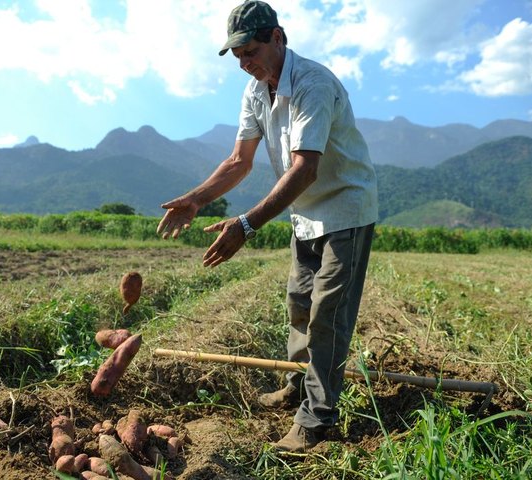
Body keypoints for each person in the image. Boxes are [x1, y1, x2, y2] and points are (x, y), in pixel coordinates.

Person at [157, 0, 378, 453]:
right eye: (238, 56)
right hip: (305, 213)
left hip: (345, 209)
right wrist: (197, 199)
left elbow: (305, 169)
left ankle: (316, 419)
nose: (244, 63)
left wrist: (246, 225)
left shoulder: (313, 83)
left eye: (250, 52)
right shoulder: (256, 91)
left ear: (277, 38)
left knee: (328, 315)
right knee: (299, 304)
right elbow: (239, 160)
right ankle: (299, 384)